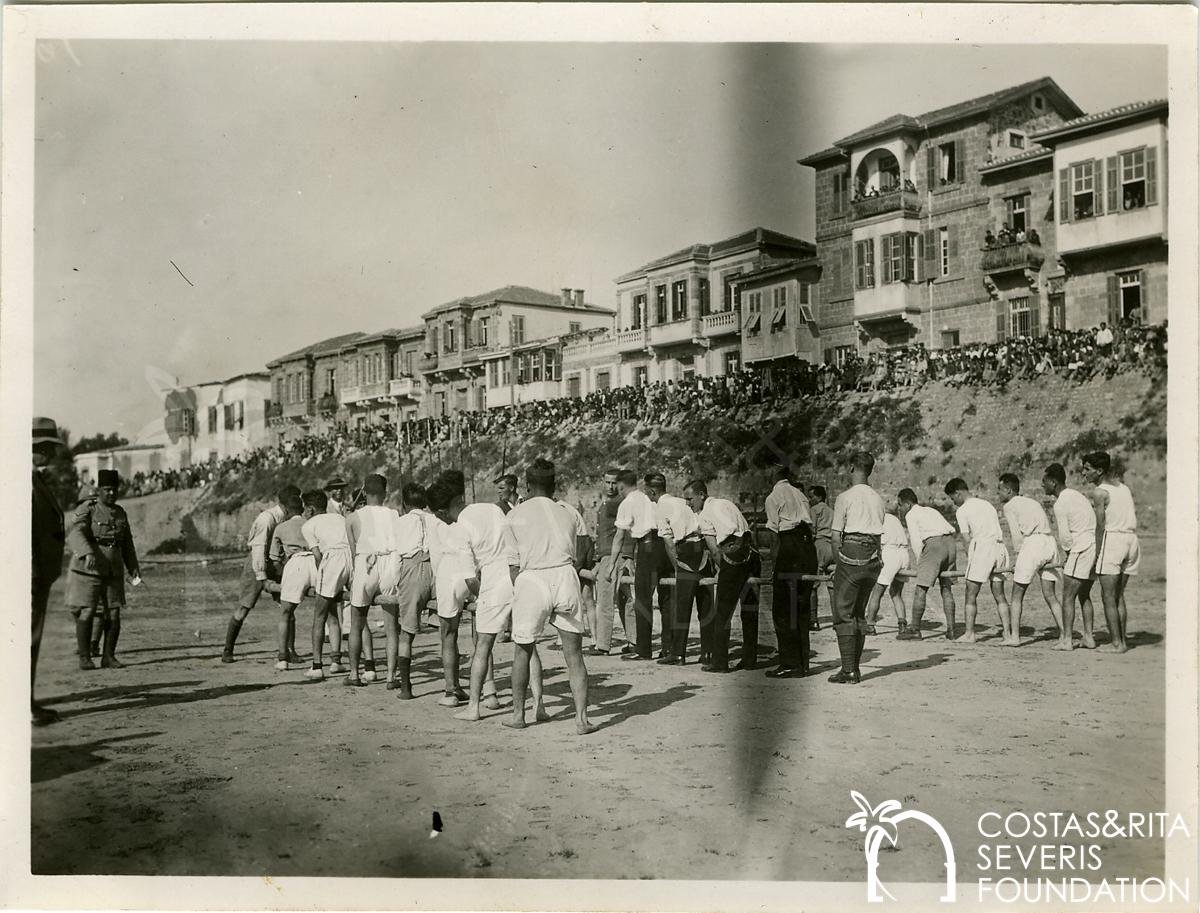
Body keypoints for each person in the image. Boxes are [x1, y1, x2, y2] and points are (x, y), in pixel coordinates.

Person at [504, 459, 596, 734]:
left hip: (532, 578)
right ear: (554, 485)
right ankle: (581, 719)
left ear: (528, 486)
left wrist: (523, 594)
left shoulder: (514, 515)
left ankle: (519, 715)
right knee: (574, 654)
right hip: (565, 575)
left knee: (523, 651)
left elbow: (513, 567)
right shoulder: (568, 512)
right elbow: (582, 550)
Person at [448, 493, 520, 722]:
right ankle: (537, 705)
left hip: (492, 577)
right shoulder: (493, 508)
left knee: (483, 645)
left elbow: (470, 579)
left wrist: (483, 597)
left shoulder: (461, 526)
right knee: (527, 645)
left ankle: (474, 707)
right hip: (515, 572)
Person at [66, 468, 140, 671]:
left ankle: (109, 656)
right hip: (90, 569)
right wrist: (87, 552)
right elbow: (75, 533)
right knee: (88, 611)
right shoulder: (88, 509)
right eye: (107, 489)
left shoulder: (121, 513)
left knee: (114, 614)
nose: (111, 494)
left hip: (113, 570)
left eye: (114, 490)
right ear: (98, 490)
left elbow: (127, 545)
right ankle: (85, 657)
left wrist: (133, 568)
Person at [685, 480, 760, 673]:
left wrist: (724, 569)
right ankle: (750, 660)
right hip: (752, 554)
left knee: (722, 613)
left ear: (701, 495)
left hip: (733, 556)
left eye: (689, 499)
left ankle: (720, 662)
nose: (688, 503)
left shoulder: (704, 516)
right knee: (749, 610)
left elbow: (714, 550)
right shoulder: (727, 503)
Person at [223, 485, 301, 663]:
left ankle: (290, 650)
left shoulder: (286, 518)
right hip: (256, 564)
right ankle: (228, 650)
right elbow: (258, 549)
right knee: (244, 607)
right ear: (287, 505)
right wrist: (262, 577)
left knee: (288, 606)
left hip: (275, 563)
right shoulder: (267, 519)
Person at [829, 452, 885, 684]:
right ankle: (855, 668)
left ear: (852, 468)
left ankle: (848, 670)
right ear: (870, 470)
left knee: (843, 612)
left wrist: (837, 562)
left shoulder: (845, 497)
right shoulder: (878, 498)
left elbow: (834, 537)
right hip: (873, 556)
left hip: (851, 552)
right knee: (859, 613)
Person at [376, 482, 434, 698]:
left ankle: (406, 687)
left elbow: (397, 556)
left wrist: (397, 582)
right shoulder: (433, 520)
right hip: (435, 569)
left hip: (411, 569)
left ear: (405, 504)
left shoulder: (401, 523)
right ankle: (452, 686)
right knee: (448, 631)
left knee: (406, 634)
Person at [650, 473, 710, 665]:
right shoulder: (683, 502)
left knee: (682, 606)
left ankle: (678, 653)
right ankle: (708, 652)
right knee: (706, 603)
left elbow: (668, 543)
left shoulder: (660, 508)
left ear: (652, 492)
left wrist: (677, 566)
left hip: (685, 550)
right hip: (702, 547)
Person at [999, 473, 1065, 647]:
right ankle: (1065, 634)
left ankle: (1014, 637)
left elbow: (1016, 535)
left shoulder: (1010, 505)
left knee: (1016, 595)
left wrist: (1018, 556)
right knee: (1050, 594)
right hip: (1050, 543)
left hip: (1032, 545)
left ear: (1008, 490)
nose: (998, 494)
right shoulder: (1032, 501)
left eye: (1000, 490)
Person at [608, 469, 668, 662]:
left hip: (647, 547)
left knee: (643, 600)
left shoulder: (628, 502)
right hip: (662, 544)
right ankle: (669, 648)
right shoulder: (647, 498)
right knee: (666, 598)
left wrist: (611, 565)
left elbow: (619, 536)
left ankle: (644, 650)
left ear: (621, 485)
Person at [344, 473, 397, 686]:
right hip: (390, 563)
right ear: (385, 493)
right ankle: (392, 677)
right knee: (392, 626)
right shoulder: (394, 514)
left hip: (366, 562)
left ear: (364, 493)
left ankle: (354, 674)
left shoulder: (352, 517)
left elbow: (353, 549)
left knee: (357, 624)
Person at [763, 466, 817, 678]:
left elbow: (774, 536)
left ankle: (789, 663)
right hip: (806, 547)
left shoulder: (774, 496)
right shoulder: (800, 493)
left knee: (783, 610)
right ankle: (803, 664)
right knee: (801, 607)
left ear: (773, 476)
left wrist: (774, 567)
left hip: (789, 547)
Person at [425, 470, 473, 706]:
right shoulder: (466, 513)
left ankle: (451, 690)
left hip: (447, 571)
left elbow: (435, 557)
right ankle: (489, 689)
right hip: (468, 570)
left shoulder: (435, 519)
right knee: (479, 631)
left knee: (448, 635)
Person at [1083, 451, 1138, 653]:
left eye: (1087, 469)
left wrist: (1097, 554)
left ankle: (1117, 644)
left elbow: (1100, 526)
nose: (1083, 473)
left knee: (1108, 596)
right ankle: (1122, 641)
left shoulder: (1099, 492)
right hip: (1131, 541)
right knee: (1118, 595)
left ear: (1099, 470)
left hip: (1113, 540)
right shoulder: (1123, 488)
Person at [945, 478, 1012, 644]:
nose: (953, 502)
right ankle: (1008, 633)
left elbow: (966, 539)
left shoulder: (962, 511)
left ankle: (970, 634)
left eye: (953, 498)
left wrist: (971, 559)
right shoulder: (987, 504)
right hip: (999, 548)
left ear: (958, 493)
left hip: (983, 548)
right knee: (999, 594)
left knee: (970, 593)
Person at [32, 417, 67, 725]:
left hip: (36, 576)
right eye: (49, 448)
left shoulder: (34, 480)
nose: (53, 455)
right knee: (27, 640)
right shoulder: (24, 482)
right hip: (29, 577)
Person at [1042, 462, 1098, 650]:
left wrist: (1069, 554)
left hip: (1081, 548)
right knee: (1084, 594)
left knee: (1067, 596)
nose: (1042, 486)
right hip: (1093, 546)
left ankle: (1066, 640)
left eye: (1045, 482)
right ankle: (1088, 638)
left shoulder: (1061, 503)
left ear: (1053, 482)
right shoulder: (1077, 495)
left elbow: (1065, 537)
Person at [270, 490, 324, 669]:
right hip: (315, 562)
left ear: (286, 511)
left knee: (286, 612)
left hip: (296, 563)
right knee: (327, 611)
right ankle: (332, 659)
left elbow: (275, 559)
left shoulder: (281, 527)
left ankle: (283, 658)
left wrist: (284, 573)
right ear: (302, 509)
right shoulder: (310, 523)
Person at [301, 493, 353, 679]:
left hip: (333, 560)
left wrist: (323, 579)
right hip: (351, 558)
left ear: (311, 509)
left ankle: (316, 666)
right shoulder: (340, 517)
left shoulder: (308, 525)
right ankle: (337, 661)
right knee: (348, 614)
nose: (303, 511)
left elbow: (317, 556)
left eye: (305, 508)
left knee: (319, 616)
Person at [895, 489, 958, 641]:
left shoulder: (911, 514)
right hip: (950, 544)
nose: (899, 509)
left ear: (908, 504)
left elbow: (916, 542)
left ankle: (915, 629)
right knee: (946, 587)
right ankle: (951, 629)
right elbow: (950, 529)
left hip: (934, 545)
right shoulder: (930, 510)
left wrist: (920, 563)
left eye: (900, 505)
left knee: (920, 590)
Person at [588, 468, 631, 656]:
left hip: (614, 557)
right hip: (607, 556)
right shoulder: (608, 502)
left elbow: (627, 532)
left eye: (614, 482)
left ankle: (603, 645)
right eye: (608, 482)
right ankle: (634, 640)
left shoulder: (621, 503)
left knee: (606, 601)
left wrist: (626, 557)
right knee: (625, 600)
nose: (611, 486)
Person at [865, 507, 910, 636]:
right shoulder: (893, 518)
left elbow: (874, 541)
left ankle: (870, 625)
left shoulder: (876, 519)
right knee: (896, 593)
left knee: (877, 592)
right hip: (904, 553)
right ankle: (902, 625)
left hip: (890, 553)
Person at [808, 485, 834, 632]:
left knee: (813, 583)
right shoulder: (832, 511)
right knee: (833, 584)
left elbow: (812, 530)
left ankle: (813, 620)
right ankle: (837, 619)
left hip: (820, 545)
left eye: (811, 496)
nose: (810, 499)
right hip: (833, 546)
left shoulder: (814, 510)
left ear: (819, 497)